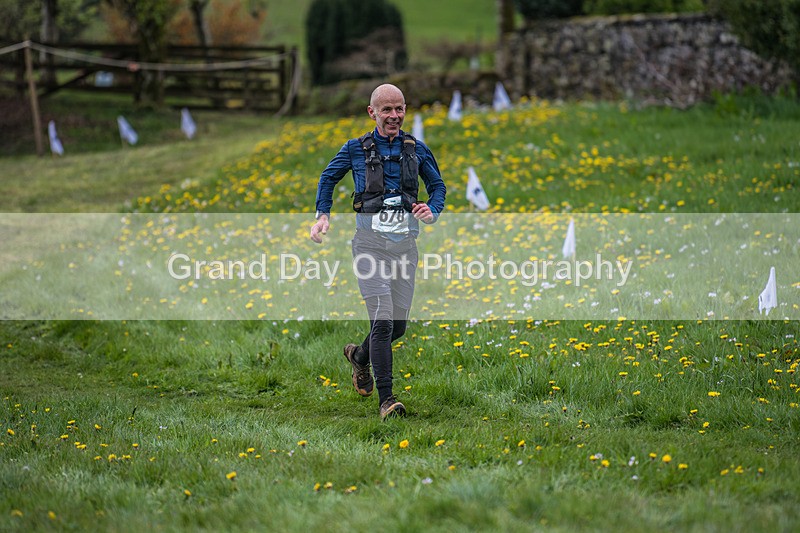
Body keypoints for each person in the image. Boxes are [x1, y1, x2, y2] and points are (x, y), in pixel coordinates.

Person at [310, 83, 446, 420]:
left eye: (400, 108)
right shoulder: (355, 149)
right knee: (383, 321)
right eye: (387, 109)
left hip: (405, 249)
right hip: (368, 248)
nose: (395, 116)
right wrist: (322, 215)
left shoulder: (417, 149)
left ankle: (358, 357)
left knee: (397, 327)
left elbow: (438, 186)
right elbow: (328, 178)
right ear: (372, 113)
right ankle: (387, 401)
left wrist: (433, 209)